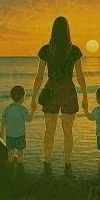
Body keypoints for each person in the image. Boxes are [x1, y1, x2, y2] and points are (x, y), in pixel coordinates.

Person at [30, 15, 87, 169]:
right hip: (68, 91)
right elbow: (80, 76)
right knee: (68, 131)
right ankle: (67, 163)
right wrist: (85, 96)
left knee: (49, 131)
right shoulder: (74, 50)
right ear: (67, 30)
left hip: (51, 91)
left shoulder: (46, 49)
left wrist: (33, 97)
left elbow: (39, 76)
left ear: (53, 30)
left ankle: (47, 162)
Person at [0, 85, 29, 165]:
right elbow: (29, 119)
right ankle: (20, 162)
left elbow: (3, 122)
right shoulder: (23, 109)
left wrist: (1, 134)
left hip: (10, 136)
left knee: (10, 151)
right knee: (20, 151)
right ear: (22, 97)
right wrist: (33, 111)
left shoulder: (7, 109)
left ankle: (10, 162)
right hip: (20, 135)